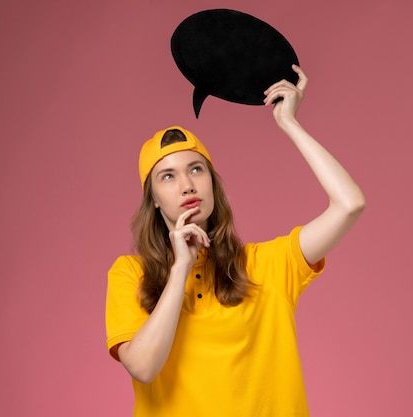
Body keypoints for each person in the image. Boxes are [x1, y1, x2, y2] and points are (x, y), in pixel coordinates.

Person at [105, 65, 366, 416]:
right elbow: (142, 367)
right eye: (168, 176)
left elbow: (350, 204)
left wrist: (289, 123)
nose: (187, 185)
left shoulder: (267, 265)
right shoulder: (129, 274)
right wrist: (180, 267)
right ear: (152, 198)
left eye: (196, 170)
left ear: (212, 183)